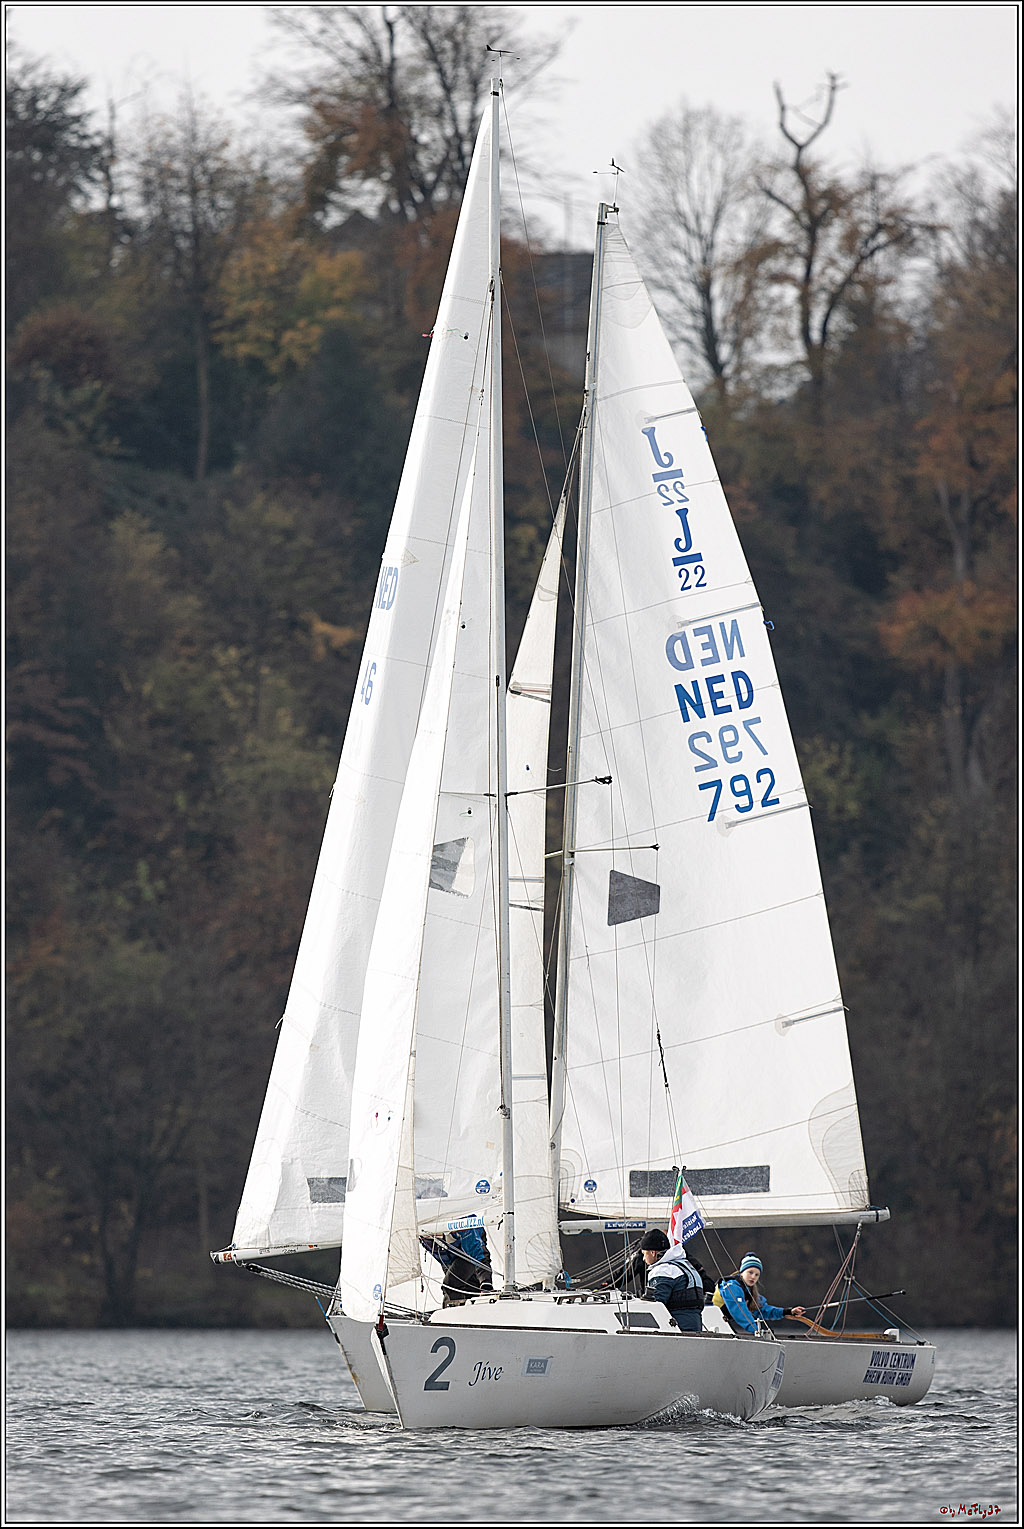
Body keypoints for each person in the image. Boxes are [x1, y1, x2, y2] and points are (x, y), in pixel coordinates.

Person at [636, 1228, 707, 1332]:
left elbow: (656, 1304)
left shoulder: (663, 1270)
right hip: (695, 1327)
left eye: (644, 1254)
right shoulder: (685, 1265)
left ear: (652, 1253)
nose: (643, 1259)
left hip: (678, 1329)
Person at [716, 1252, 805, 1333]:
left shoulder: (750, 1293)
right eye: (750, 1272)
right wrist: (755, 1331)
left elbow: (764, 1310)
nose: (753, 1277)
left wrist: (788, 1311)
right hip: (711, 1318)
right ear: (742, 1272)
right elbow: (739, 1311)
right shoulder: (731, 1287)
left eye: (756, 1274)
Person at [421, 1226, 493, 1307]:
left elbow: (479, 1255)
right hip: (447, 1255)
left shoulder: (462, 1228)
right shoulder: (422, 1232)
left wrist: (486, 1283)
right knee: (469, 1288)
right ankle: (476, 1312)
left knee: (451, 1285)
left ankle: (452, 1314)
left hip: (468, 1252)